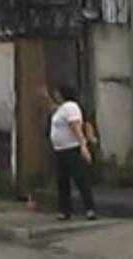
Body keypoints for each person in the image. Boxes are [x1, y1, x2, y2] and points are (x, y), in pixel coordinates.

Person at [49, 85, 96, 221]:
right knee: (62, 181)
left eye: (57, 93)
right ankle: (64, 211)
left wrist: (83, 145)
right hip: (61, 150)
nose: (56, 95)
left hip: (72, 149)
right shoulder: (61, 109)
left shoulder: (70, 107)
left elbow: (75, 126)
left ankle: (90, 209)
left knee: (80, 179)